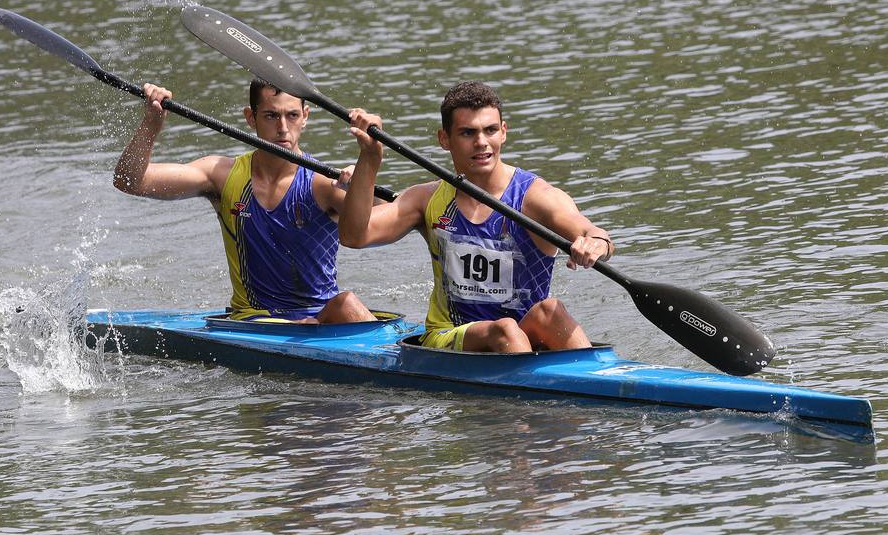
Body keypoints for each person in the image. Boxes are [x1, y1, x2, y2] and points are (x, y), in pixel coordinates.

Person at [338, 81, 613, 353]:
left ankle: (603, 383)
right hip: (449, 335)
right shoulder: (426, 199)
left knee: (550, 310)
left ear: (503, 132)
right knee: (504, 329)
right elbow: (354, 235)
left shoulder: (536, 197)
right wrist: (370, 159)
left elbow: (590, 230)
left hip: (522, 334)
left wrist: (597, 243)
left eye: (490, 130)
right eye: (468, 133)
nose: (481, 142)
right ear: (444, 139)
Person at [113, 79, 376, 323]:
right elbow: (130, 181)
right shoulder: (220, 175)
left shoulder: (324, 184)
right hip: (254, 321)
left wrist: (363, 180)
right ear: (251, 118)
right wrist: (151, 123)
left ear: (305, 117)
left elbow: (383, 220)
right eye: (271, 116)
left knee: (346, 304)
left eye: (292, 115)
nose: (283, 128)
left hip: (319, 319)